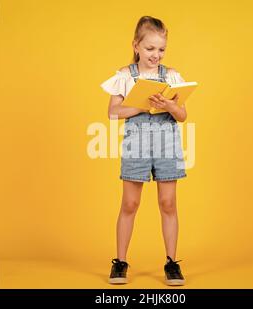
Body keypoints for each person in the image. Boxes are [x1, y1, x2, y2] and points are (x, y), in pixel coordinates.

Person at [100, 16, 188, 286]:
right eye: (150, 49)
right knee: (130, 203)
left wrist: (168, 105)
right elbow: (113, 112)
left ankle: (172, 263)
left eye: (161, 49)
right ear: (136, 45)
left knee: (168, 203)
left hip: (166, 144)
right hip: (136, 143)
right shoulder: (124, 76)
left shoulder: (171, 76)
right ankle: (120, 262)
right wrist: (141, 105)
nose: (156, 55)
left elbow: (182, 115)